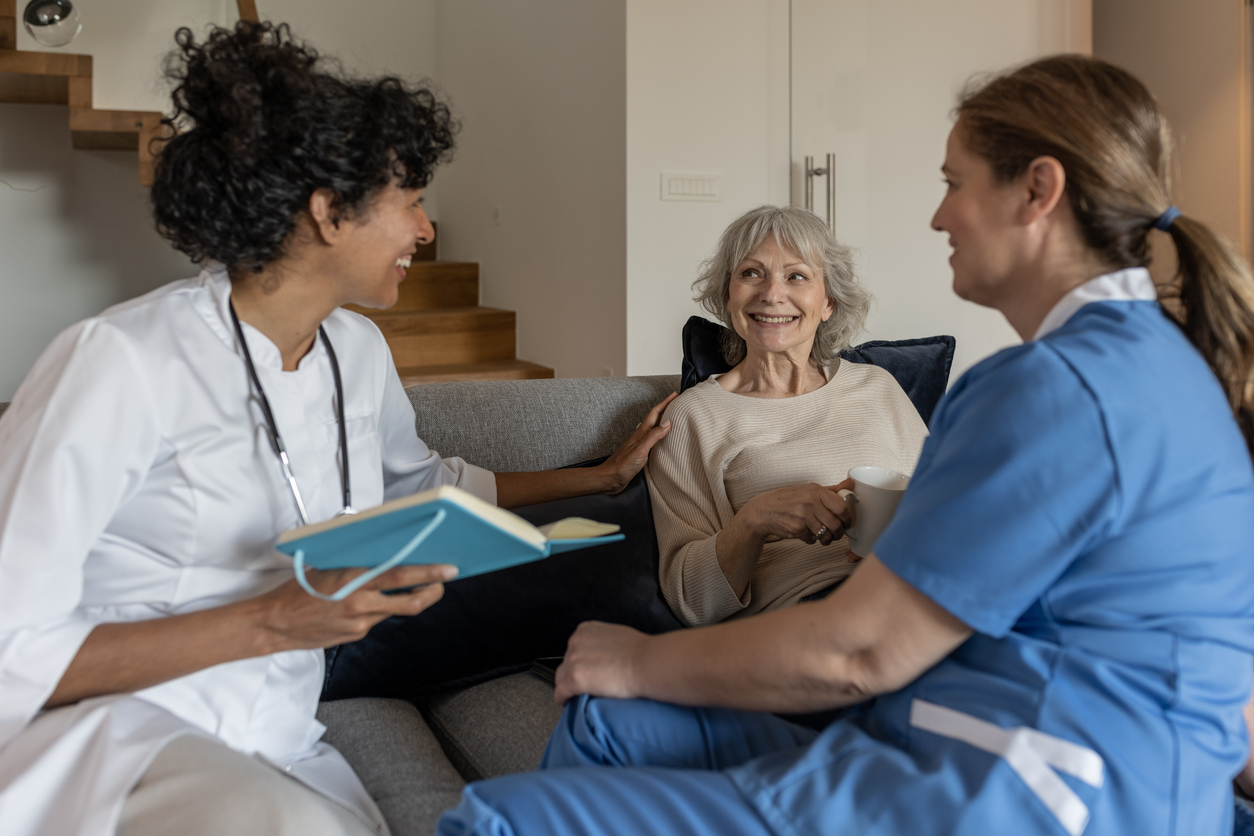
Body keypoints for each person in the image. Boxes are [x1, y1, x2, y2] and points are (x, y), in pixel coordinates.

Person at [436, 54, 1254, 836]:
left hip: (1009, 784)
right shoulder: (1165, 367)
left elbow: (863, 647)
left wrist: (635, 661)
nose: (939, 215)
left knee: (497, 817)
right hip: (965, 729)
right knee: (609, 722)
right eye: (752, 276)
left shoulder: (1050, 387)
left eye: (953, 183)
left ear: (1038, 190)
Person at [0, 21, 672, 836]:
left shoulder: (356, 350)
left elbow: (426, 487)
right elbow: (12, 650)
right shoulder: (121, 361)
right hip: (126, 732)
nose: (426, 232)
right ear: (327, 211)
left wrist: (597, 479)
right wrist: (274, 620)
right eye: (412, 202)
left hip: (283, 733)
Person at [647, 205, 926, 627]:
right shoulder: (694, 416)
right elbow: (691, 601)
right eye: (751, 273)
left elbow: (950, 505)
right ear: (728, 295)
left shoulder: (876, 387)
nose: (772, 294)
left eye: (796, 276)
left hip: (917, 586)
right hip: (813, 615)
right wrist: (755, 520)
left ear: (828, 301)